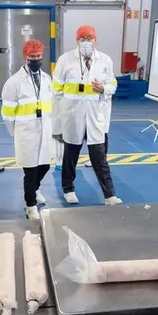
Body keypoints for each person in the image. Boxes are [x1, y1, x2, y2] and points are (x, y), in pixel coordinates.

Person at [52, 25, 121, 206]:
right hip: (72, 117)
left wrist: (103, 89)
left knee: (99, 158)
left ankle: (109, 195)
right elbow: (56, 90)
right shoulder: (65, 60)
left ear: (95, 40)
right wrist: (62, 113)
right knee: (70, 157)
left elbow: (112, 84)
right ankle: (68, 189)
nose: (86, 42)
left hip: (95, 116)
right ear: (77, 41)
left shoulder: (105, 60)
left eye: (89, 38)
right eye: (82, 38)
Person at [1, 39, 54, 220]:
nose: (36, 59)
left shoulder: (47, 79)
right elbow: (7, 114)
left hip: (44, 132)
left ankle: (35, 189)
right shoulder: (14, 83)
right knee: (30, 172)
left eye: (38, 56)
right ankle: (30, 206)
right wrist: (16, 133)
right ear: (25, 57)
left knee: (45, 165)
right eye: (32, 56)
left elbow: (51, 106)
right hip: (26, 133)